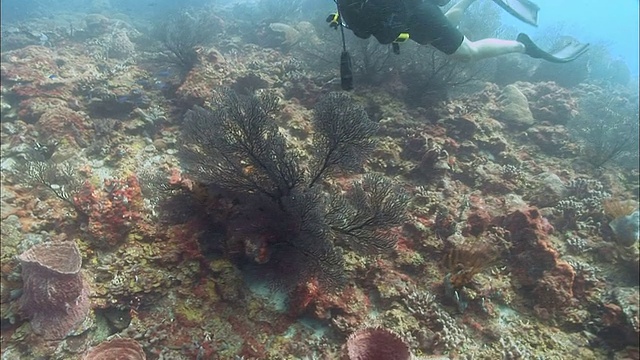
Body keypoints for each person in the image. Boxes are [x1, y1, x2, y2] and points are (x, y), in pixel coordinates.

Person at [332, 0, 589, 63]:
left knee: (468, 52)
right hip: (414, 15)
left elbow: (374, 32)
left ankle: (523, 47)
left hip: (416, 13)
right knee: (440, 26)